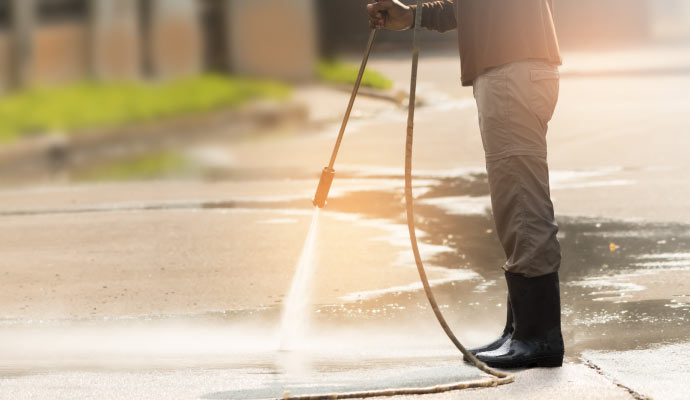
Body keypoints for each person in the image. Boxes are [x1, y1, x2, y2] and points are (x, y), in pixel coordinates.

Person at [366, 0, 564, 369]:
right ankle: (522, 329)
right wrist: (414, 16)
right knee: (513, 201)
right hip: (508, 70)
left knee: (520, 201)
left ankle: (539, 336)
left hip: (513, 69)